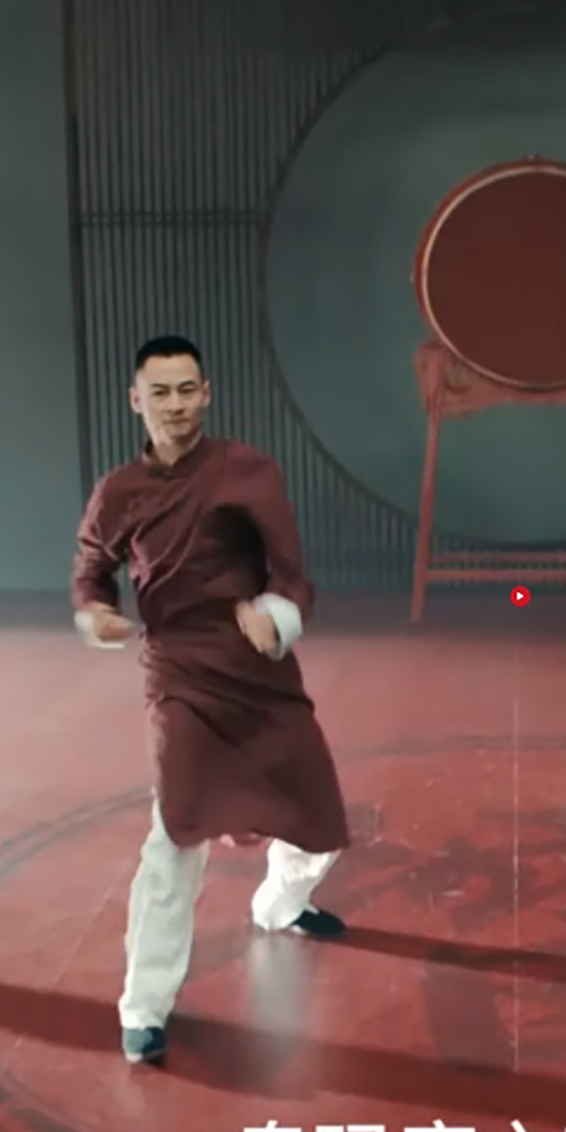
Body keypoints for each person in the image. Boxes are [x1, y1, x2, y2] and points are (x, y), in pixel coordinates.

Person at [73, 335, 353, 1066]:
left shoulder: (248, 470)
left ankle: (281, 903)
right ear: (135, 400)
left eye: (186, 390)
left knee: (319, 821)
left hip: (258, 669)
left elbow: (292, 573)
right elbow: (92, 571)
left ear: (207, 393)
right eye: (159, 392)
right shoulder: (118, 492)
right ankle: (144, 1004)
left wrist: (275, 614)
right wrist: (95, 614)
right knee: (176, 831)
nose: (174, 405)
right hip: (178, 674)